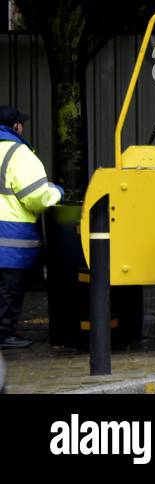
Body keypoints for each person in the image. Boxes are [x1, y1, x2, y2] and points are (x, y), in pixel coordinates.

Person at [0, 106, 62, 349]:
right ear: (15, 126)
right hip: (10, 239)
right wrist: (56, 192)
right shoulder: (18, 154)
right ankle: (4, 334)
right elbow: (36, 196)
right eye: (21, 123)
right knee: (9, 289)